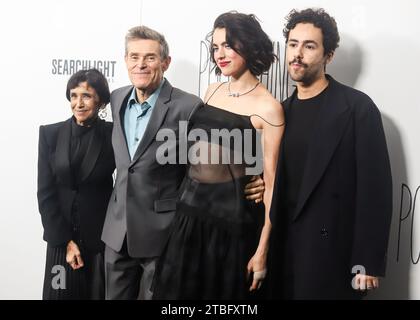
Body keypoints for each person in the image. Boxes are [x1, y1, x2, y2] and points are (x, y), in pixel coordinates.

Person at [100, 25, 265, 300]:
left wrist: (254, 175)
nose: (141, 64)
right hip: (117, 232)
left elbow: (216, 157)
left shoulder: (188, 106)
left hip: (163, 233)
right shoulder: (116, 98)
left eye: (150, 57)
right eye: (134, 56)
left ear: (166, 62)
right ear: (126, 60)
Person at [152, 11, 284, 300]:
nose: (219, 54)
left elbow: (273, 184)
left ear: (248, 45)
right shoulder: (211, 91)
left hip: (231, 227)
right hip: (189, 218)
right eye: (215, 47)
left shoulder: (269, 107)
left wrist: (262, 250)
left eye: (227, 45)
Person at [268, 8, 393, 299]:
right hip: (283, 253)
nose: (298, 54)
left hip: (331, 257)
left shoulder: (357, 109)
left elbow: (375, 193)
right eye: (293, 44)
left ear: (329, 56)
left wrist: (367, 263)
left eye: (309, 46)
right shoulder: (279, 112)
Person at [37, 69, 114, 299]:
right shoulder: (50, 134)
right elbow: (45, 194)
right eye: (73, 96)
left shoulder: (113, 135)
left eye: (86, 96)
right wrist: (65, 242)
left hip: (99, 245)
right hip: (61, 244)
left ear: (100, 100)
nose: (78, 103)